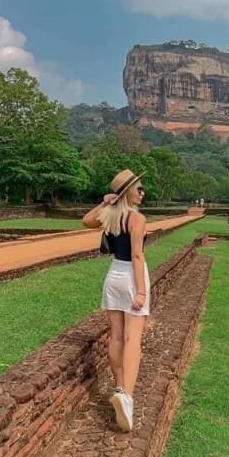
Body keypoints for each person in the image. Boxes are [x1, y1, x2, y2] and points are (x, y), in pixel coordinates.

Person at [81, 169, 149, 432]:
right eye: (138, 188)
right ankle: (127, 397)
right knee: (133, 339)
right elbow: (137, 257)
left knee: (117, 337)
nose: (142, 193)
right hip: (132, 277)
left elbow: (86, 221)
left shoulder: (111, 216)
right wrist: (141, 291)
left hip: (113, 277)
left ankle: (119, 386)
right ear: (128, 192)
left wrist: (105, 203)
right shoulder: (136, 219)